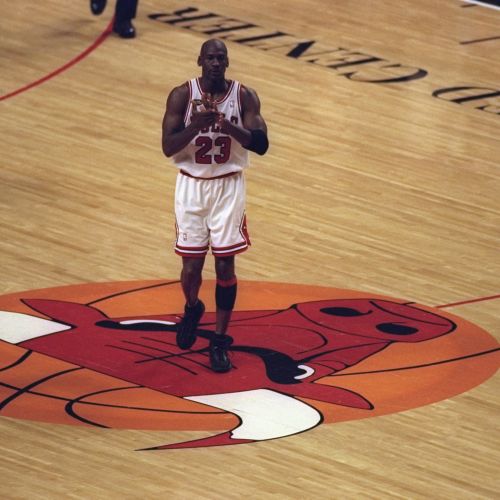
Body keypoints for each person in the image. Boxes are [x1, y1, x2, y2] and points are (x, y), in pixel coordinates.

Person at [161, 39, 269, 373]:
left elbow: (262, 143)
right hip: (191, 186)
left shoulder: (244, 96)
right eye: (210, 57)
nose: (216, 63)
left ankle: (220, 340)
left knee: (225, 266)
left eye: (221, 58)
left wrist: (226, 125)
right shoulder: (181, 95)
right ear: (200, 61)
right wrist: (197, 124)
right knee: (191, 267)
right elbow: (168, 146)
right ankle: (193, 306)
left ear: (227, 62)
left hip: (228, 186)